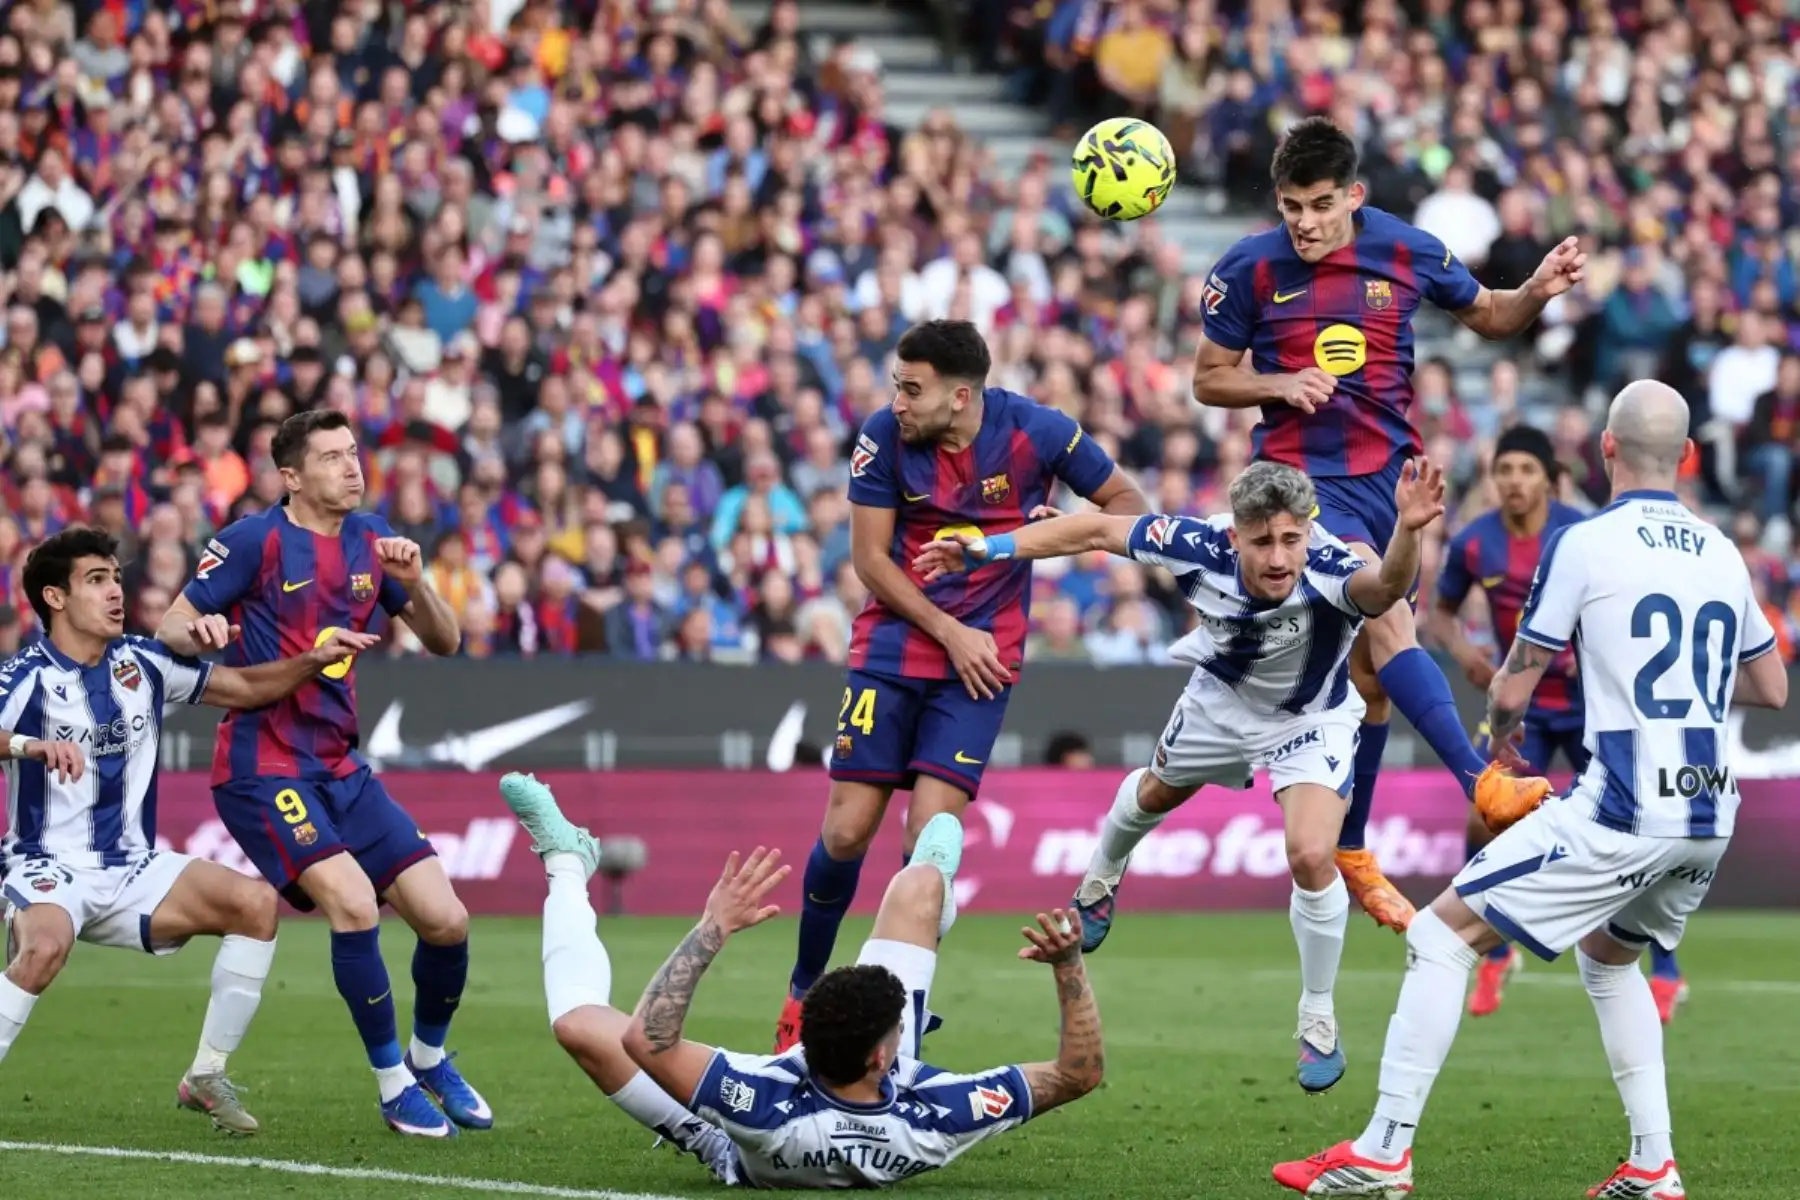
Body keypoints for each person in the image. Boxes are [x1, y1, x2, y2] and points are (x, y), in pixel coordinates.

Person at [1274, 381, 1787, 1199]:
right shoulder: (1722, 550)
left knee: (1440, 937)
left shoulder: (1585, 541)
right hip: (1708, 807)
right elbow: (1769, 686)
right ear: (1687, 458)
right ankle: (1654, 1164)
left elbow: (1516, 685)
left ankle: (1382, 1152)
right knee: (1611, 960)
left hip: (1622, 804)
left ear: (1606, 450)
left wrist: (1499, 742)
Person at [916, 459, 1540, 1094]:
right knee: (1156, 793)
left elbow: (1383, 593)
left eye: (1290, 539)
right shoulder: (1196, 545)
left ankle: (1317, 1016)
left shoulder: (1329, 568)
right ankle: (1102, 875)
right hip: (1221, 704)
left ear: (1308, 531)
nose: (1277, 557)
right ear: (1234, 535)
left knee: (1310, 853)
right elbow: (1091, 532)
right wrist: (986, 548)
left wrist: (1408, 531)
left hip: (1310, 719)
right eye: (1263, 540)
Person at [1191, 117, 1581, 930]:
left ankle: (1356, 846)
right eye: (1292, 205)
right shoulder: (1249, 268)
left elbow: (1492, 316)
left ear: (1354, 196)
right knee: (1392, 625)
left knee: (1370, 677)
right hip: (1301, 488)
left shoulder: (1404, 248)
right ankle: (1480, 778)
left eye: (1321, 204)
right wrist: (1279, 381)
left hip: (1388, 481)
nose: (1304, 221)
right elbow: (1209, 380)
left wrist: (1537, 290)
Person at [775, 318, 1145, 1051]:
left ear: (961, 396)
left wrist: (1061, 528)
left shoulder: (1039, 431)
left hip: (983, 663)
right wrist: (949, 631)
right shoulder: (883, 437)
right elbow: (871, 562)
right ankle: (802, 994)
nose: (899, 402)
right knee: (846, 832)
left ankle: (903, 1009)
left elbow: (1129, 508)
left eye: (913, 390)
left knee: (930, 847)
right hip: (893, 648)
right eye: (897, 387)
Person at [496, 773, 1104, 1188]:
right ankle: (936, 890)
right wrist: (1069, 964)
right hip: (846, 1105)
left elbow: (647, 1040)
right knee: (921, 881)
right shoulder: (935, 1117)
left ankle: (567, 860)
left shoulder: (759, 1102)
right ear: (886, 1054)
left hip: (732, 1142)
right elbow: (1079, 1075)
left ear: (803, 1047)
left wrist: (713, 928)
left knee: (578, 1024)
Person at [154, 410, 479, 1139]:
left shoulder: (373, 539)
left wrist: (417, 584)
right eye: (331, 457)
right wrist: (201, 632)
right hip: (262, 766)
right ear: (292, 477)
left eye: (353, 452)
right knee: (355, 904)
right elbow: (171, 624)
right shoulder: (254, 539)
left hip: (340, 765)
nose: (351, 466)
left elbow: (446, 640)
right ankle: (394, 1086)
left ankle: (430, 1060)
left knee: (447, 920)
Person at [0, 526, 378, 1133]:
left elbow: (245, 688)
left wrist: (311, 661)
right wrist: (27, 745)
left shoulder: (143, 664)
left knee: (255, 905)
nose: (115, 592)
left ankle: (205, 1074)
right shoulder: (25, 677)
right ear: (55, 598)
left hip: (131, 867)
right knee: (44, 947)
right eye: (96, 581)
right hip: (49, 863)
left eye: (116, 578)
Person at [1433, 427, 1691, 1020]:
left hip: (1593, 708)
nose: (1514, 481)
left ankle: (1668, 972)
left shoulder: (1583, 532)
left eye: (1526, 469)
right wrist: (1467, 655)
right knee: (1481, 817)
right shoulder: (1475, 544)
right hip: (1522, 710)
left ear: (1549, 477)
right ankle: (1495, 957)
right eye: (1504, 470)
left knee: (1639, 830)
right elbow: (1441, 612)